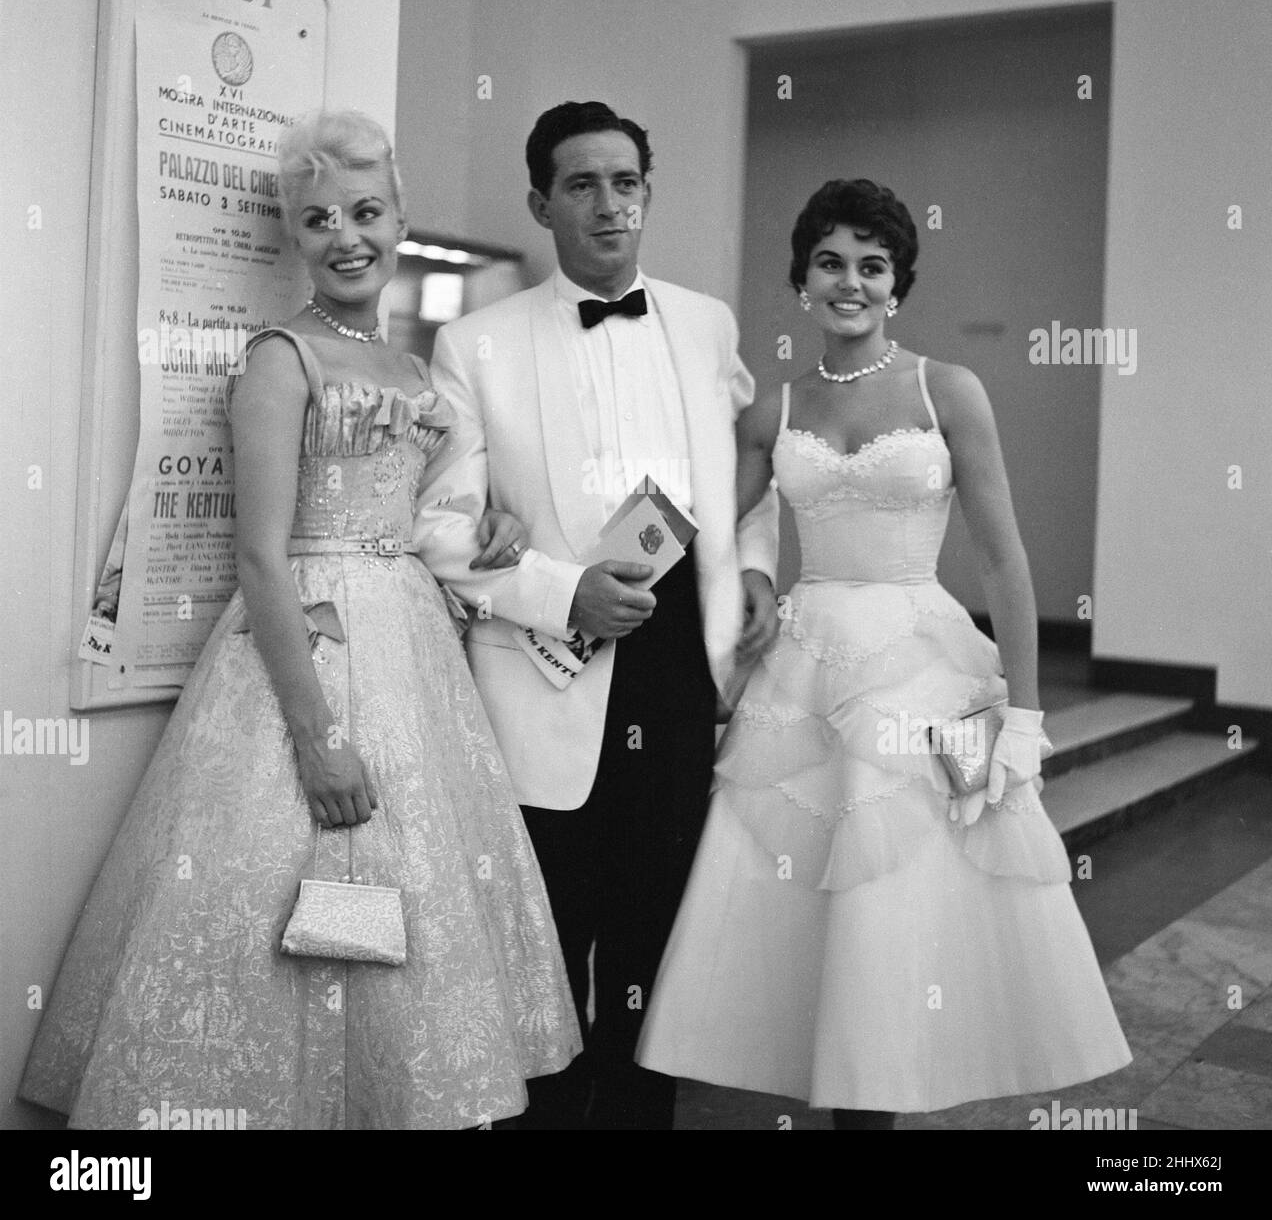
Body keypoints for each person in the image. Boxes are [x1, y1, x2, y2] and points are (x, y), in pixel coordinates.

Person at [20, 110, 580, 1130]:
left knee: (408, 895)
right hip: (306, 644)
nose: (346, 236)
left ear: (400, 218)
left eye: (366, 212)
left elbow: (428, 514)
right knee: (280, 895)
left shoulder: (415, 373)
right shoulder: (280, 358)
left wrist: (491, 521)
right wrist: (318, 739)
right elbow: (260, 558)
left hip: (412, 652)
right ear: (295, 235)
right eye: (319, 219)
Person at [637, 178, 1131, 1126]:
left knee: (896, 906)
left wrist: (1024, 718)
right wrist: (577, 567)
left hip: (922, 666)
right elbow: (695, 522)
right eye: (830, 263)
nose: (851, 282)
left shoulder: (951, 390)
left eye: (873, 265)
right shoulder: (773, 411)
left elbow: (1004, 560)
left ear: (898, 283)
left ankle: (884, 1092)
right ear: (802, 280)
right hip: (805, 668)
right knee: (806, 909)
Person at [413, 101, 780, 1129]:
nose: (609, 205)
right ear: (542, 204)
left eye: (626, 183)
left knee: (654, 939)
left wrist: (755, 565)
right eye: (582, 185)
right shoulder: (474, 343)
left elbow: (750, 475)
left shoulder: (707, 324)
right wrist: (559, 589)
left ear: (647, 194)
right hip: (545, 669)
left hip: (677, 667)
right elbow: (437, 525)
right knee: (541, 939)